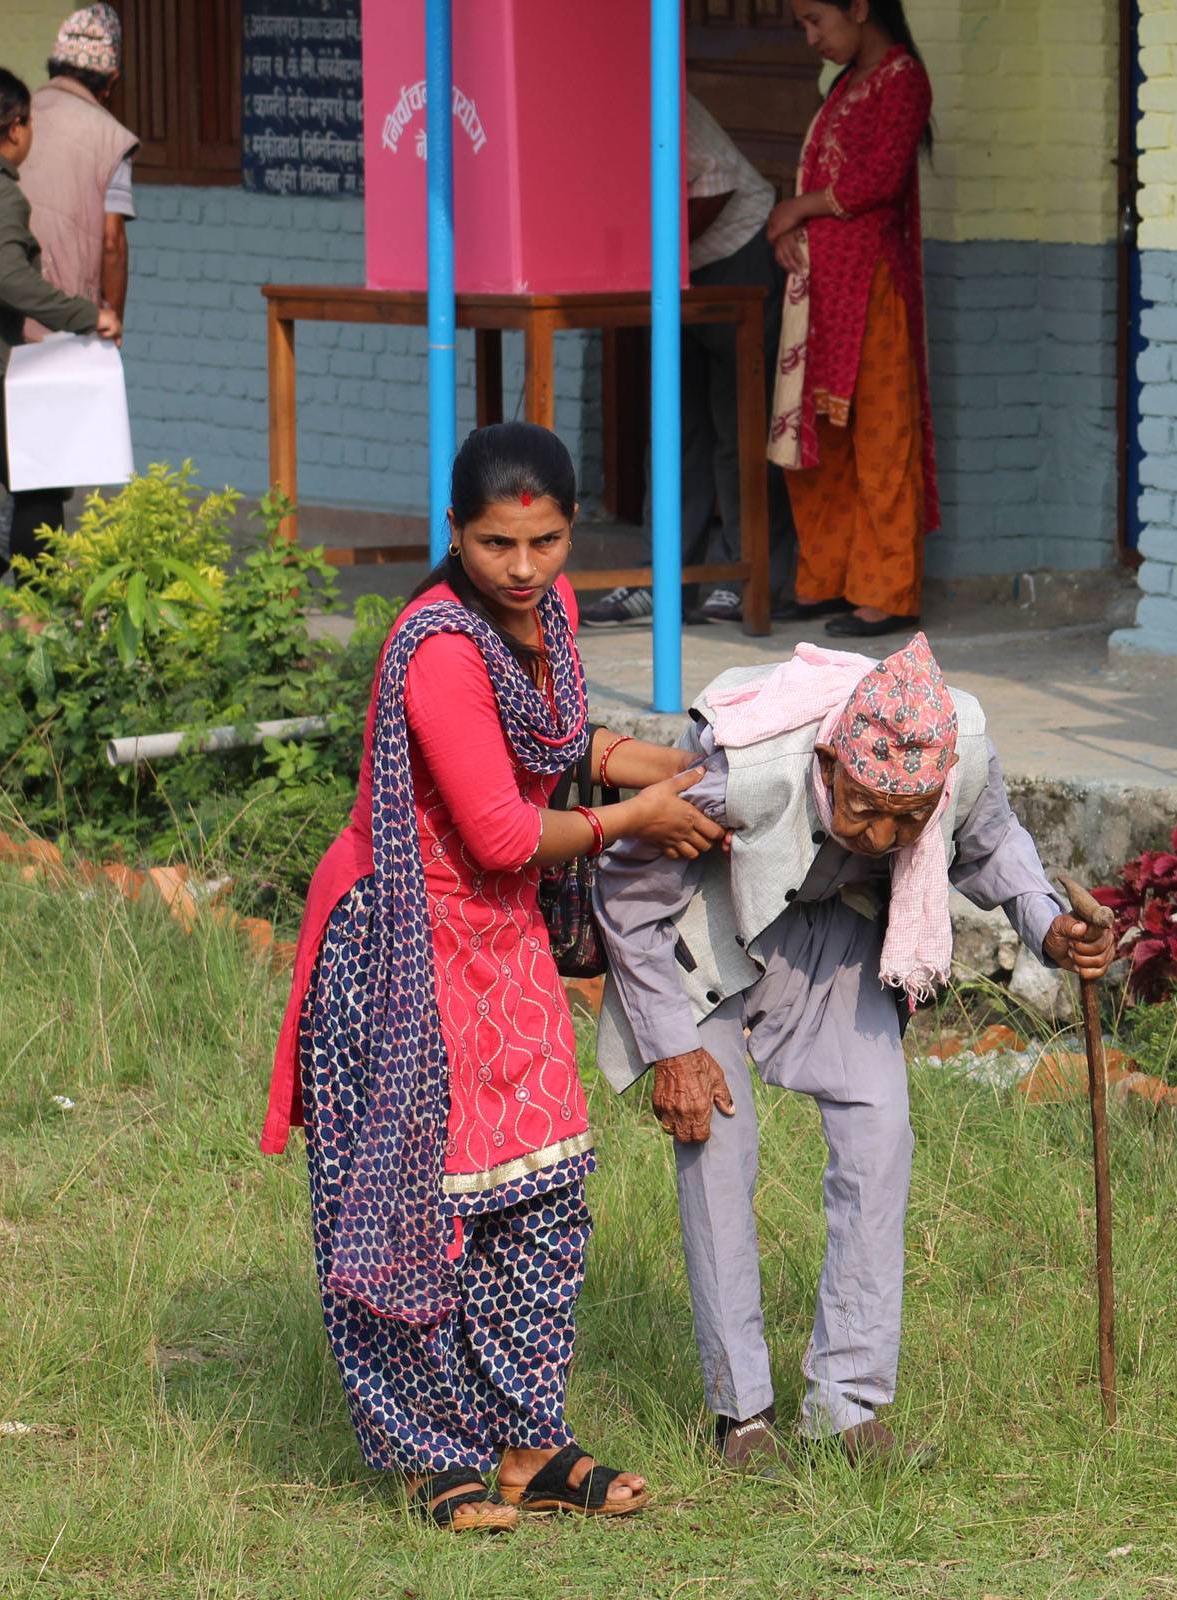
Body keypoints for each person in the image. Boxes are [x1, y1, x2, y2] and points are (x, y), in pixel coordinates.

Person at [260, 422, 727, 1531]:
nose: (524, 568)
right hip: (403, 943)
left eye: (548, 540)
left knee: (543, 1198)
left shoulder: (546, 617)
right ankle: (429, 1454)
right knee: (419, 1209)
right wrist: (633, 817)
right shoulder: (439, 649)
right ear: (455, 533)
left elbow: (553, 744)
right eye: (495, 544)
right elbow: (506, 829)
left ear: (571, 528)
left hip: (500, 945)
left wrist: (651, 761)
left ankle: (524, 1440)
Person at [593, 633, 1113, 1468]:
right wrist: (670, 1048)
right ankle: (742, 1417)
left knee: (880, 1133)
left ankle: (847, 1405)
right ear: (830, 761)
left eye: (908, 818)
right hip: (711, 931)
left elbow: (993, 845)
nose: (880, 835)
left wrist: (1049, 926)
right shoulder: (742, 769)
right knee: (719, 1148)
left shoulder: (960, 757)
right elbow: (625, 890)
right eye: (862, 804)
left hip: (835, 933)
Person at [583, 94, 803, 629]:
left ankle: (747, 579)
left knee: (738, 432)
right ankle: (661, 579)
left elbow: (716, 186)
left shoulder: (651, 94)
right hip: (673, 271)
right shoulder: (579, 111)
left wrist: (654, 253)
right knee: (674, 431)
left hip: (734, 253)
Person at [766, 0, 940, 640]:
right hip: (823, 292)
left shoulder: (903, 79)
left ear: (860, 8)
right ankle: (826, 579)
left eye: (816, 20)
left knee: (881, 438)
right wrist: (794, 231)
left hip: (874, 287)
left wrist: (795, 209)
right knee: (822, 442)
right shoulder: (845, 82)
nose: (811, 36)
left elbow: (878, 181)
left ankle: (887, 591)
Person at [0, 66, 118, 577]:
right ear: (16, 127)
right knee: (40, 487)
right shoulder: (5, 195)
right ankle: (36, 618)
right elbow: (11, 280)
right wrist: (88, 314)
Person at [22, 5, 137, 340]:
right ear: (110, 82)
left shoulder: (16, 118)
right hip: (70, 318)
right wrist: (111, 322)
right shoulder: (113, 138)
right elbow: (112, 241)